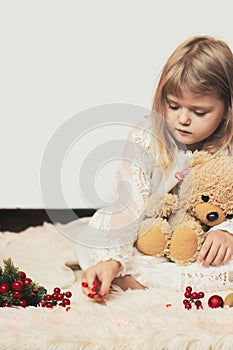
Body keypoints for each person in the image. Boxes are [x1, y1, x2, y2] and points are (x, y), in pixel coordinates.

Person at [76, 35, 233, 301]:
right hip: (150, 236)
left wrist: (226, 232)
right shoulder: (146, 138)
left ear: (227, 109)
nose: (182, 119)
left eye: (200, 112)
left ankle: (150, 281)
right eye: (173, 106)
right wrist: (113, 259)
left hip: (199, 244)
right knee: (92, 235)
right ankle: (125, 272)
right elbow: (129, 205)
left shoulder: (228, 148)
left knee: (222, 260)